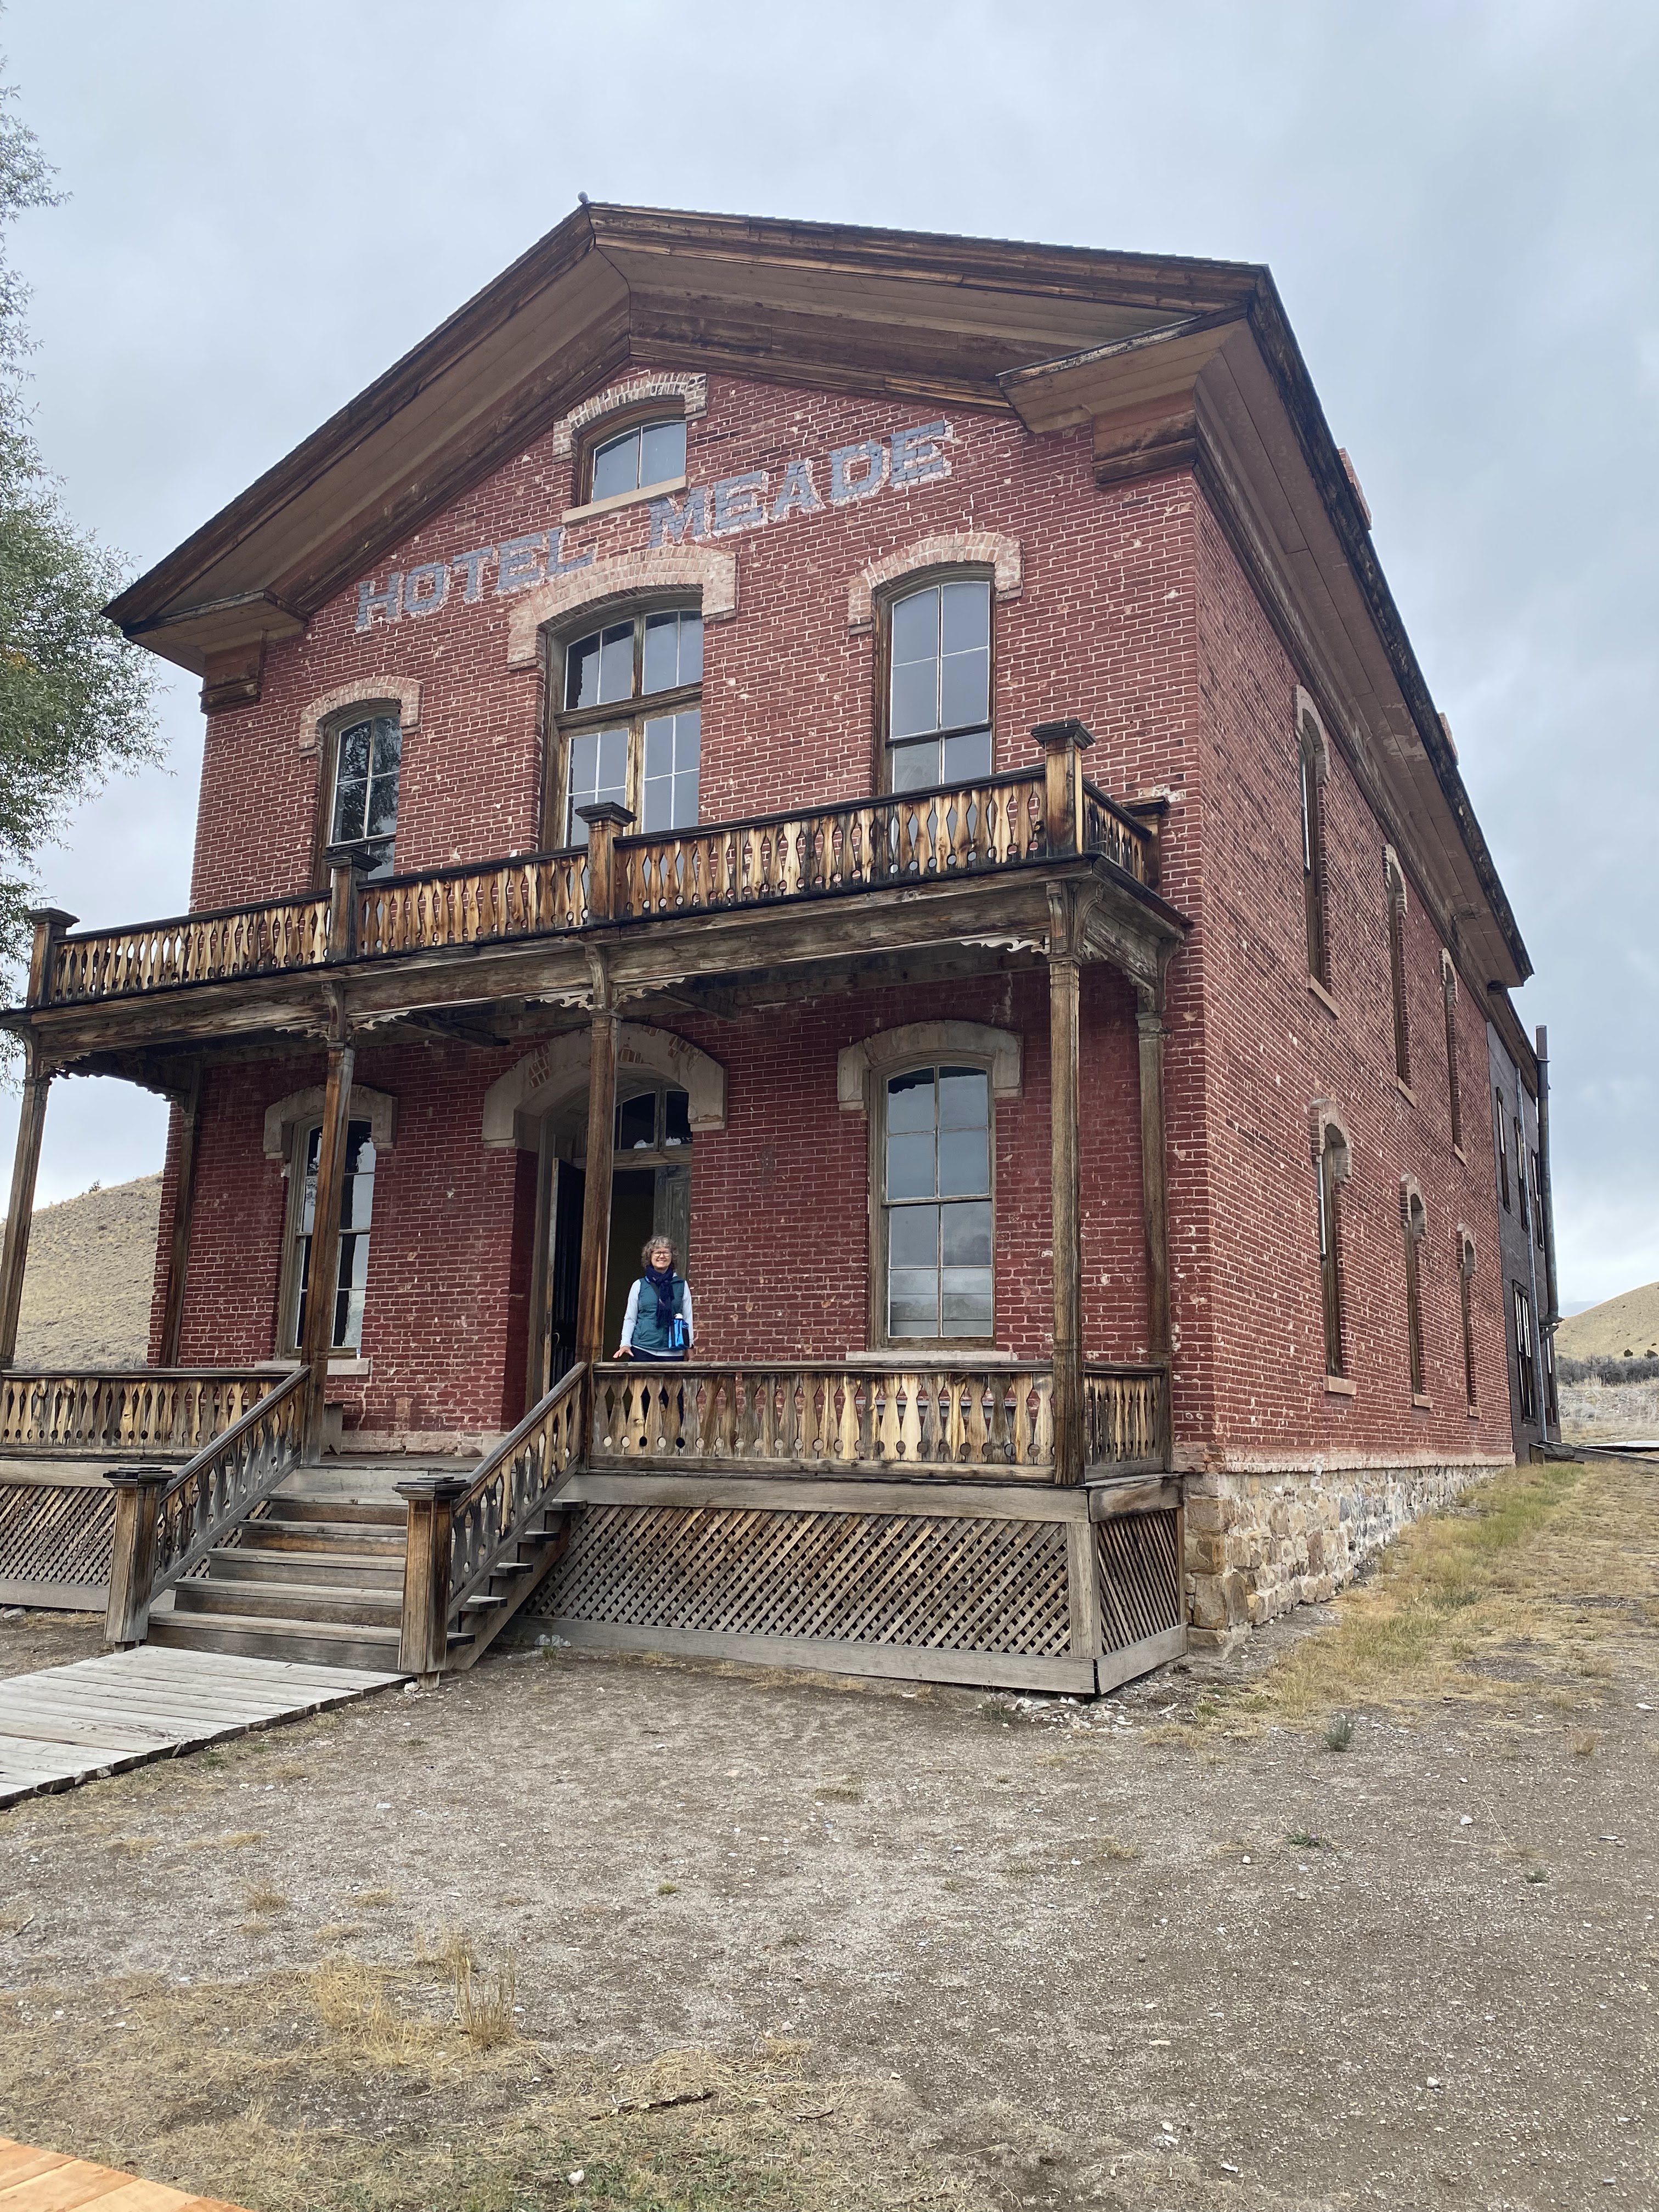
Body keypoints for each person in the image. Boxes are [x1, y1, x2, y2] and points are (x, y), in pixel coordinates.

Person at [614, 1236, 694, 1361]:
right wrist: (625, 1344)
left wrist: (689, 1345)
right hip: (642, 1349)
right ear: (649, 1257)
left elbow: (688, 1317)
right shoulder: (639, 1285)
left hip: (673, 1351)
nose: (662, 1256)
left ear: (672, 1257)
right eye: (657, 1252)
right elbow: (630, 1317)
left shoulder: (681, 1285)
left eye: (666, 1252)